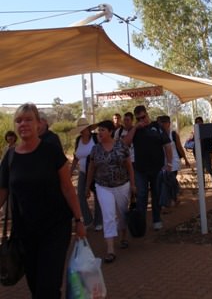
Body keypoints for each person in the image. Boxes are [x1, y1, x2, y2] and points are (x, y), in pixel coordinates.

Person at [0, 102, 85, 299]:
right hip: (24, 234)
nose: (23, 124)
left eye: (29, 119)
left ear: (39, 123)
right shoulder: (11, 157)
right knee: (35, 286)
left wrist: (79, 220)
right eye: (19, 120)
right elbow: (3, 191)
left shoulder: (50, 151)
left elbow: (67, 187)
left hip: (54, 229)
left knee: (47, 287)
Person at [86, 120, 135, 263]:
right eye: (99, 130)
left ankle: (123, 236)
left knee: (122, 213)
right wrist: (87, 187)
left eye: (102, 130)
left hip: (122, 185)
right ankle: (110, 249)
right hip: (102, 186)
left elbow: (129, 166)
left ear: (110, 131)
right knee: (108, 216)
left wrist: (133, 184)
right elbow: (91, 168)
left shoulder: (121, 146)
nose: (99, 133)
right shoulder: (95, 149)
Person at [123, 105, 173, 231]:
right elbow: (125, 143)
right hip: (140, 169)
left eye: (143, 117)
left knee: (156, 194)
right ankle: (141, 223)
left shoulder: (157, 127)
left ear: (147, 114)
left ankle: (157, 219)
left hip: (157, 168)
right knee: (141, 196)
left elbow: (167, 146)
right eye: (138, 118)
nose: (142, 120)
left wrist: (169, 164)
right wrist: (135, 127)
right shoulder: (136, 130)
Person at [70, 117, 103, 230]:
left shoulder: (95, 138)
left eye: (85, 128)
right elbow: (76, 157)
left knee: (98, 195)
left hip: (96, 171)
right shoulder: (78, 140)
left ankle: (99, 221)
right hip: (83, 171)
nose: (84, 130)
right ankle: (88, 219)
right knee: (80, 194)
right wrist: (70, 172)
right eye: (82, 128)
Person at [157, 115, 191, 205]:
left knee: (169, 179)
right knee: (168, 180)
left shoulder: (173, 134)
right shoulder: (158, 134)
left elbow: (179, 147)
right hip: (162, 162)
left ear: (169, 123)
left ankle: (170, 200)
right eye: (161, 122)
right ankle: (175, 196)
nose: (163, 124)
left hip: (174, 162)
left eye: (165, 122)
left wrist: (186, 159)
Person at [194, 116, 212, 186]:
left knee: (208, 168)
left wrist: (210, 152)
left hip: (207, 153)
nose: (198, 123)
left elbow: (211, 143)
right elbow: (193, 144)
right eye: (197, 122)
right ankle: (202, 185)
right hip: (199, 153)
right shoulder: (195, 132)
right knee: (200, 170)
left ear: (202, 122)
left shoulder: (207, 131)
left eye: (199, 121)